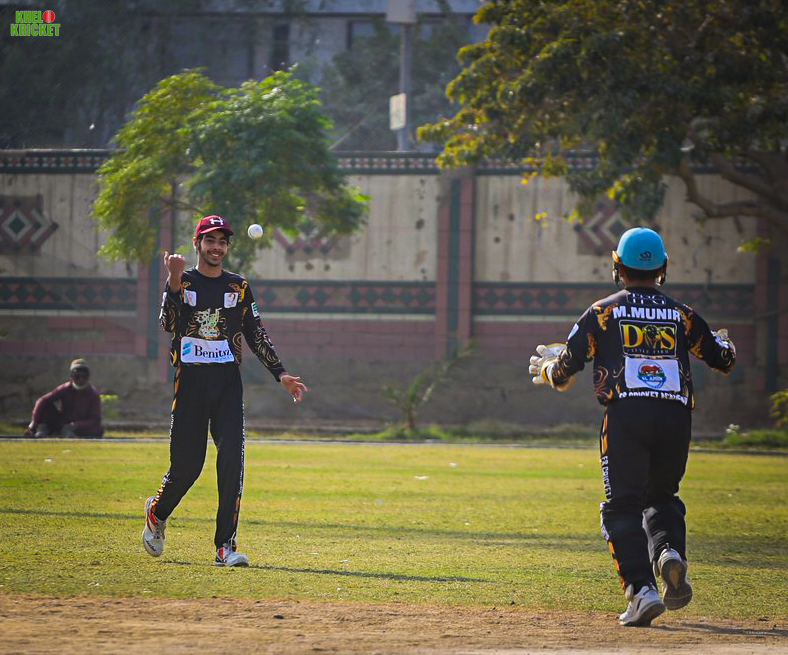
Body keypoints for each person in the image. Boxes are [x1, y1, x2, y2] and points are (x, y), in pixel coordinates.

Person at [528, 227, 736, 627]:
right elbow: (722, 359)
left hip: (626, 416)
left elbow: (567, 366)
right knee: (662, 496)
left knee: (621, 506)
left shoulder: (602, 312)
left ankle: (641, 591)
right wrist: (726, 345)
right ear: (663, 268)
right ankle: (668, 551)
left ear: (617, 267)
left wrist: (551, 370)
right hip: (675, 417)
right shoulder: (682, 314)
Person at [142, 215, 307, 568]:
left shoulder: (238, 286)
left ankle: (224, 547)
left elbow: (256, 333)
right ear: (197, 243)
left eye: (222, 242)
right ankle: (157, 511)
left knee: (232, 460)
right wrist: (173, 279)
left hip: (228, 383)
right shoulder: (183, 280)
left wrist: (280, 374)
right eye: (210, 240)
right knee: (187, 468)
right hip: (190, 383)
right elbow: (167, 323)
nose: (216, 247)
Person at [24, 359, 104, 437]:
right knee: (46, 404)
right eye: (77, 377)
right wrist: (34, 422)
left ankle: (66, 433)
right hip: (63, 423)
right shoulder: (65, 388)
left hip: (81, 426)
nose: (81, 380)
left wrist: (75, 426)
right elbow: (42, 400)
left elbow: (95, 419)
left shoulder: (93, 394)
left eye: (84, 377)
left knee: (98, 429)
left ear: (88, 377)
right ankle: (43, 429)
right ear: (72, 376)